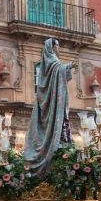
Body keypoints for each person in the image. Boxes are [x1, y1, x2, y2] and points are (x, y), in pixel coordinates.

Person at [24, 38, 78, 175]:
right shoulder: (52, 61)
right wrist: (69, 66)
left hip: (52, 100)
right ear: (52, 47)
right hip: (50, 101)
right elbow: (58, 70)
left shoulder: (48, 63)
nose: (58, 49)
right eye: (57, 46)